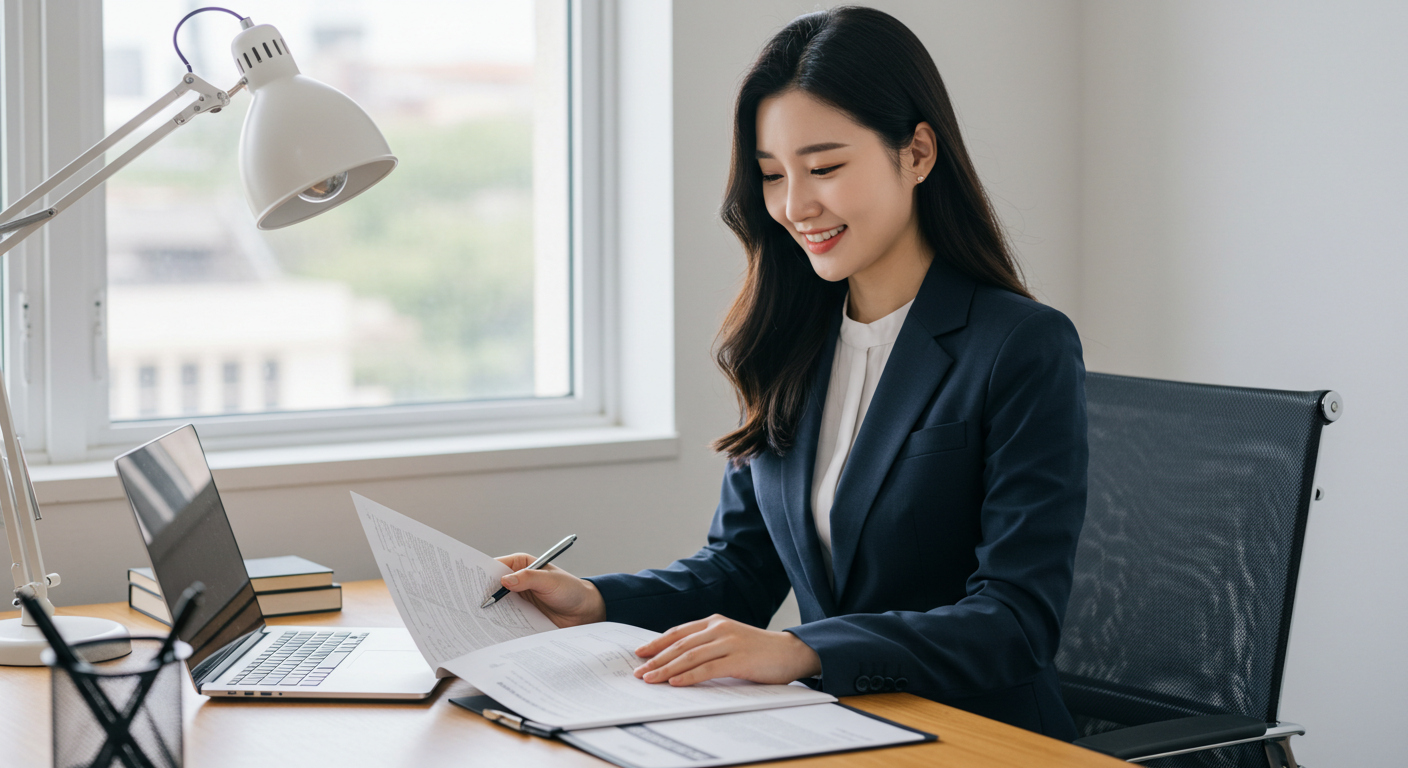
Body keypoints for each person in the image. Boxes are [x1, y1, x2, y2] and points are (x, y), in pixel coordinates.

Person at [494, 6, 1086, 740]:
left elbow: (1015, 621)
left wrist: (804, 649)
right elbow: (740, 570)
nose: (796, 206)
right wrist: (591, 598)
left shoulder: (1020, 345)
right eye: (773, 176)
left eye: (827, 167)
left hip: (980, 738)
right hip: (834, 729)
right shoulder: (790, 342)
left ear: (918, 153)